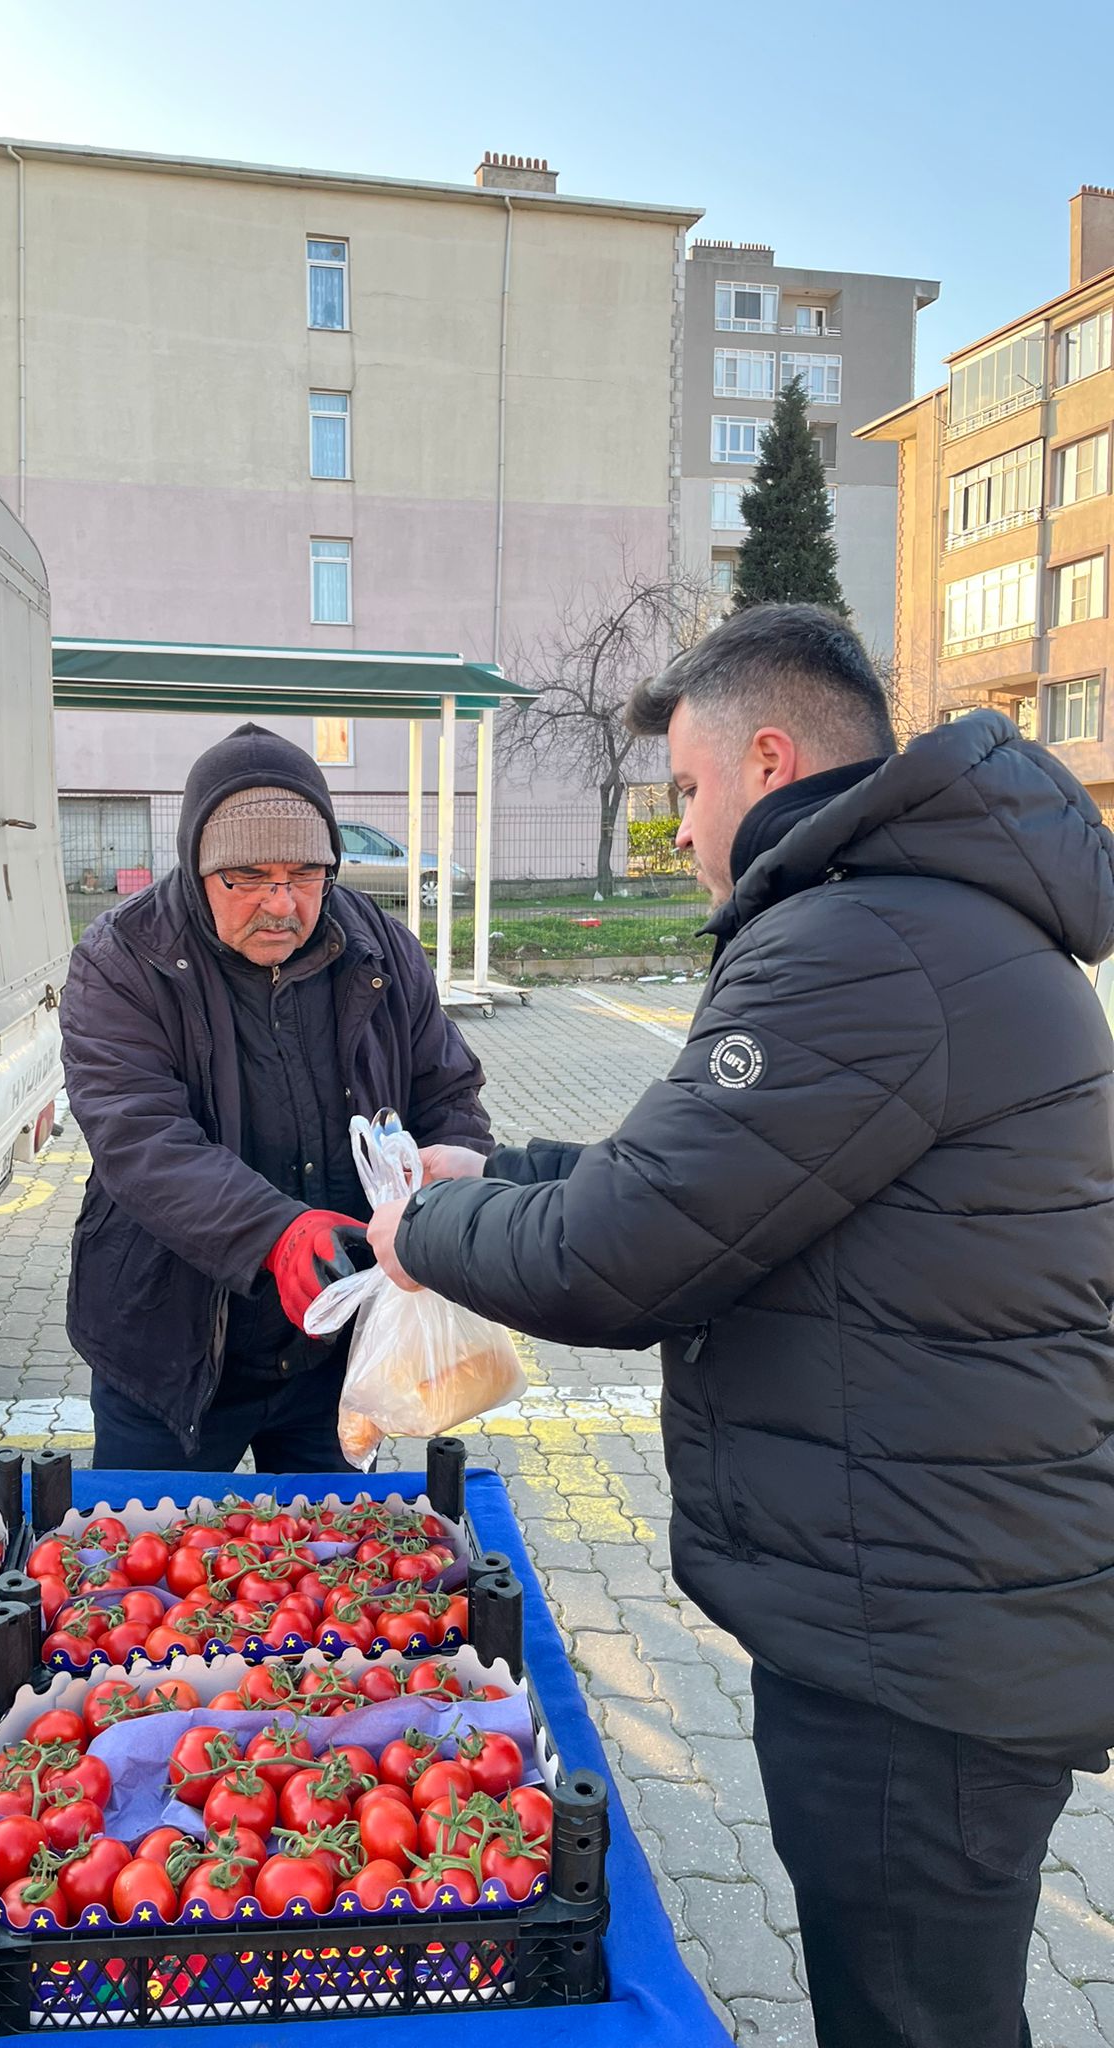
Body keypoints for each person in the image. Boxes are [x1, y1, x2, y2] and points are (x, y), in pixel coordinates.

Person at [366, 604, 1114, 2048]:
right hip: (937, 1592)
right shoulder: (923, 919)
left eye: (691, 793)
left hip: (916, 1633)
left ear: (769, 757)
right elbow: (727, 1185)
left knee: (912, 2021)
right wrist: (501, 1173)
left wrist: (421, 1234)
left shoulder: (860, 943)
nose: (686, 834)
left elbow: (621, 1258)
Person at [61, 722, 491, 1472]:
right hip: (170, 1351)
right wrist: (275, 1234)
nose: (281, 903)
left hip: (336, 1348)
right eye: (248, 878)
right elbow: (139, 1139)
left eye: (304, 874)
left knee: (329, 1570)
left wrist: (447, 1186)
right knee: (154, 1565)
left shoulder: (381, 948)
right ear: (199, 868)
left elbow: (447, 1088)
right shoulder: (121, 959)